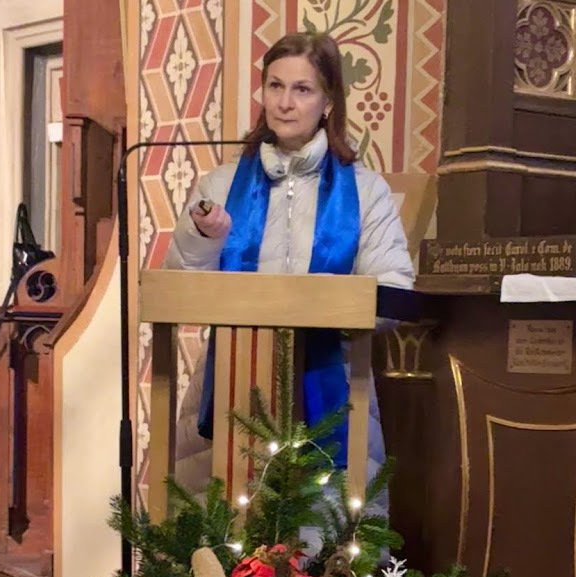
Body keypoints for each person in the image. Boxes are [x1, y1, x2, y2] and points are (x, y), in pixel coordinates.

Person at [164, 32, 415, 514]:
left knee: (321, 532)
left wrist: (320, 310)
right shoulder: (221, 184)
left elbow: (393, 290)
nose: (284, 102)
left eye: (302, 89)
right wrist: (206, 238)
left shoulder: (365, 191)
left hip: (331, 378)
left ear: (328, 102)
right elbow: (179, 285)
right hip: (230, 377)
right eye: (275, 86)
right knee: (220, 528)